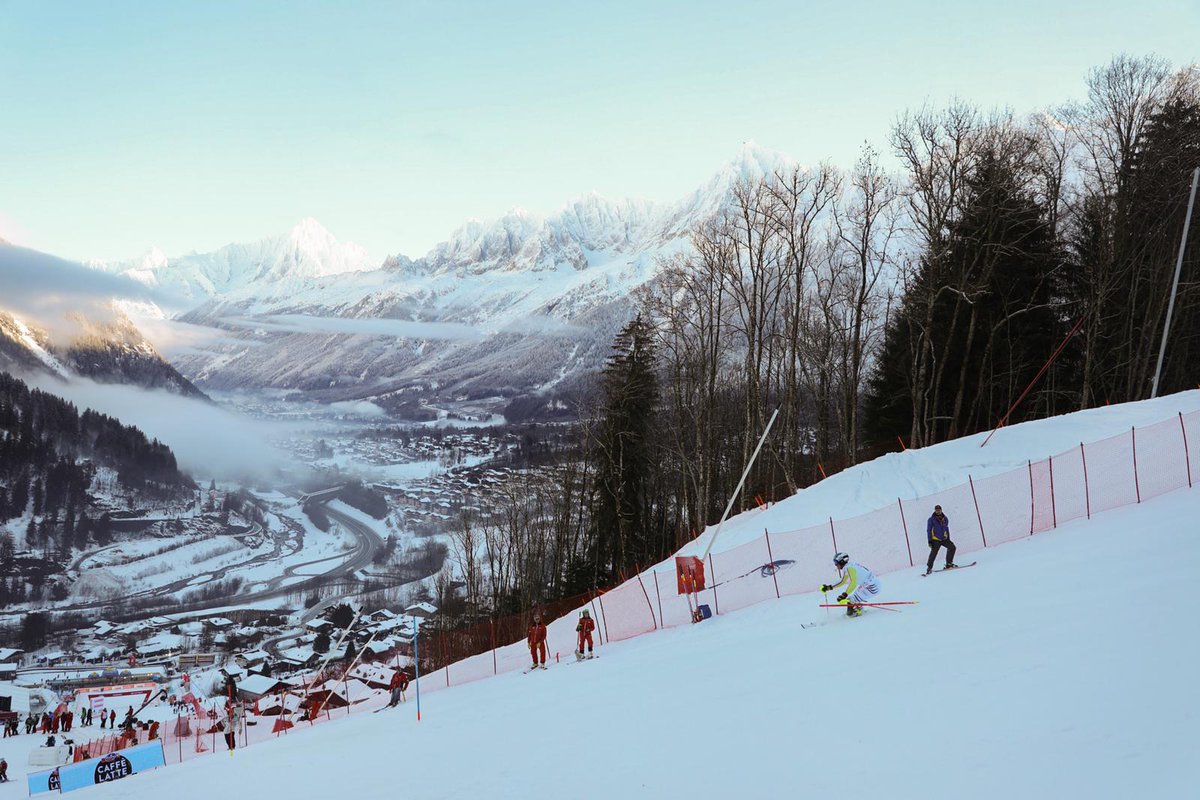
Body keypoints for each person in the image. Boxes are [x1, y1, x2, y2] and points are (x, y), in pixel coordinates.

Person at [821, 552, 881, 618]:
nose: (835, 565)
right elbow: (842, 581)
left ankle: (855, 613)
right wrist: (829, 587)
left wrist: (844, 594)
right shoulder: (849, 566)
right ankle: (857, 608)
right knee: (852, 599)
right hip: (871, 584)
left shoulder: (849, 568)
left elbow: (853, 583)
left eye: (836, 563)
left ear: (841, 561)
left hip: (871, 587)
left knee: (851, 600)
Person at [925, 505, 957, 575]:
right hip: (936, 540)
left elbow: (946, 528)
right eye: (936, 510)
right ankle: (929, 568)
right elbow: (929, 530)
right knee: (933, 553)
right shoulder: (931, 520)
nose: (938, 511)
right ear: (935, 511)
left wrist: (948, 537)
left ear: (941, 510)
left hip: (944, 539)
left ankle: (949, 563)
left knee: (952, 547)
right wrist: (930, 541)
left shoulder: (945, 518)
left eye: (939, 510)